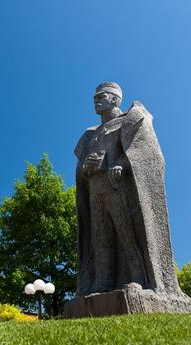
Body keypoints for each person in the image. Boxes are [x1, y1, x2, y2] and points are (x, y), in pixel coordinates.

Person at [74, 82, 180, 296]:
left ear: (115, 99)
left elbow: (144, 150)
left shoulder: (129, 121)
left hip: (119, 188)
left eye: (101, 96)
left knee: (127, 232)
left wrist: (121, 163)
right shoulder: (90, 134)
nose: (96, 100)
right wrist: (87, 167)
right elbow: (81, 168)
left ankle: (138, 278)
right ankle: (102, 282)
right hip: (95, 190)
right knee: (100, 238)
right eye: (95, 97)